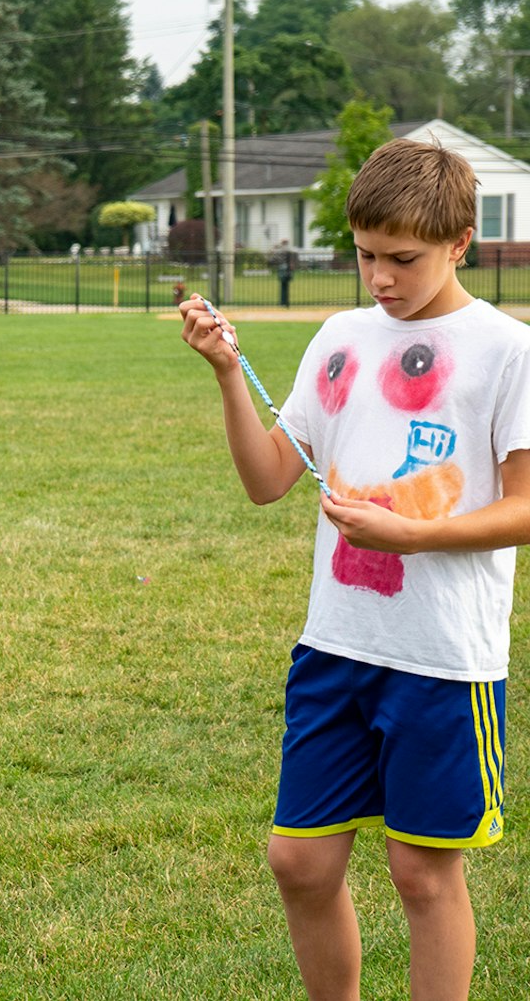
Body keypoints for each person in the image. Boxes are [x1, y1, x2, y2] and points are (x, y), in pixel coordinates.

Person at [180, 137, 530, 1000]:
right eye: (366, 255)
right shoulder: (338, 336)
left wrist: (410, 536)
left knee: (421, 875)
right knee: (298, 861)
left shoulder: (505, 349)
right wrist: (228, 371)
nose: (379, 277)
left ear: (459, 243)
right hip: (335, 645)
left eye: (402, 259)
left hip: (443, 660)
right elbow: (268, 480)